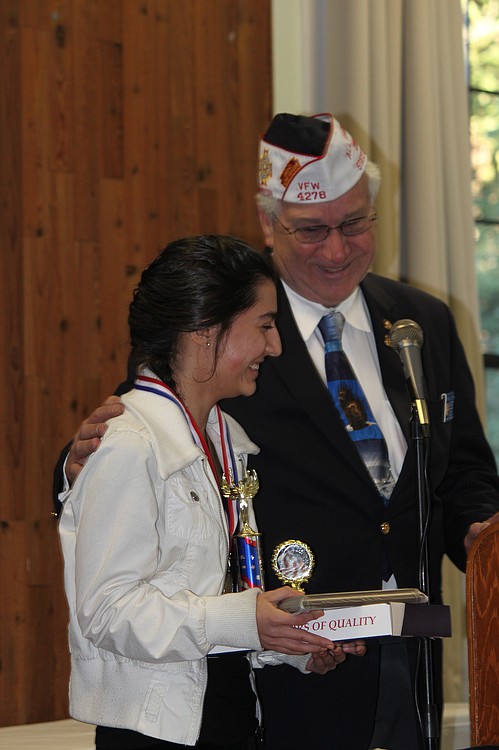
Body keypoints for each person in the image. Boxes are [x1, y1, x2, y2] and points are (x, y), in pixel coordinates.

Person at [55, 116, 499, 750]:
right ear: (270, 225)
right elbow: (135, 447)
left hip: (405, 661)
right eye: (313, 230)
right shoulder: (218, 337)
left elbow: (461, 474)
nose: (338, 249)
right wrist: (72, 468)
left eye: (355, 224)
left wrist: (485, 538)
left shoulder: (418, 322)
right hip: (265, 689)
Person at [57, 235, 363, 750]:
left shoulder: (227, 441)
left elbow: (210, 599)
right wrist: (247, 619)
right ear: (205, 332)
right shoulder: (130, 442)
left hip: (230, 716)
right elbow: (108, 612)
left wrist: (287, 642)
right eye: (264, 325)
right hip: (156, 732)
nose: (276, 346)